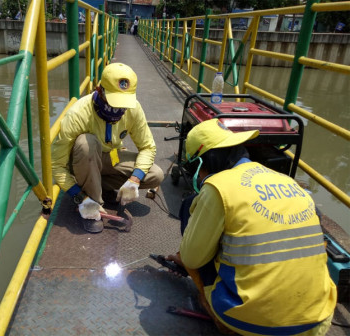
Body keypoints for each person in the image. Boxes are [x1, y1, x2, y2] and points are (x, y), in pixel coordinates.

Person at [167, 119, 337, 335]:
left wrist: (186, 256)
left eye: (196, 168)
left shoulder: (218, 187)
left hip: (253, 324)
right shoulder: (289, 182)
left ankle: (213, 309)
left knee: (191, 210)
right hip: (318, 320)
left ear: (204, 162)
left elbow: (193, 259)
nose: (197, 175)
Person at [51, 63, 164, 233]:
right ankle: (92, 203)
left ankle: (100, 187)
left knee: (155, 175)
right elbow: (57, 165)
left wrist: (134, 180)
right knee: (85, 143)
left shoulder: (133, 109)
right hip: (84, 162)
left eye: (123, 104)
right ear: (99, 91)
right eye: (114, 102)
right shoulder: (78, 114)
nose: (118, 109)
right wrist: (79, 197)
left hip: (112, 157)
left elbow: (148, 147)